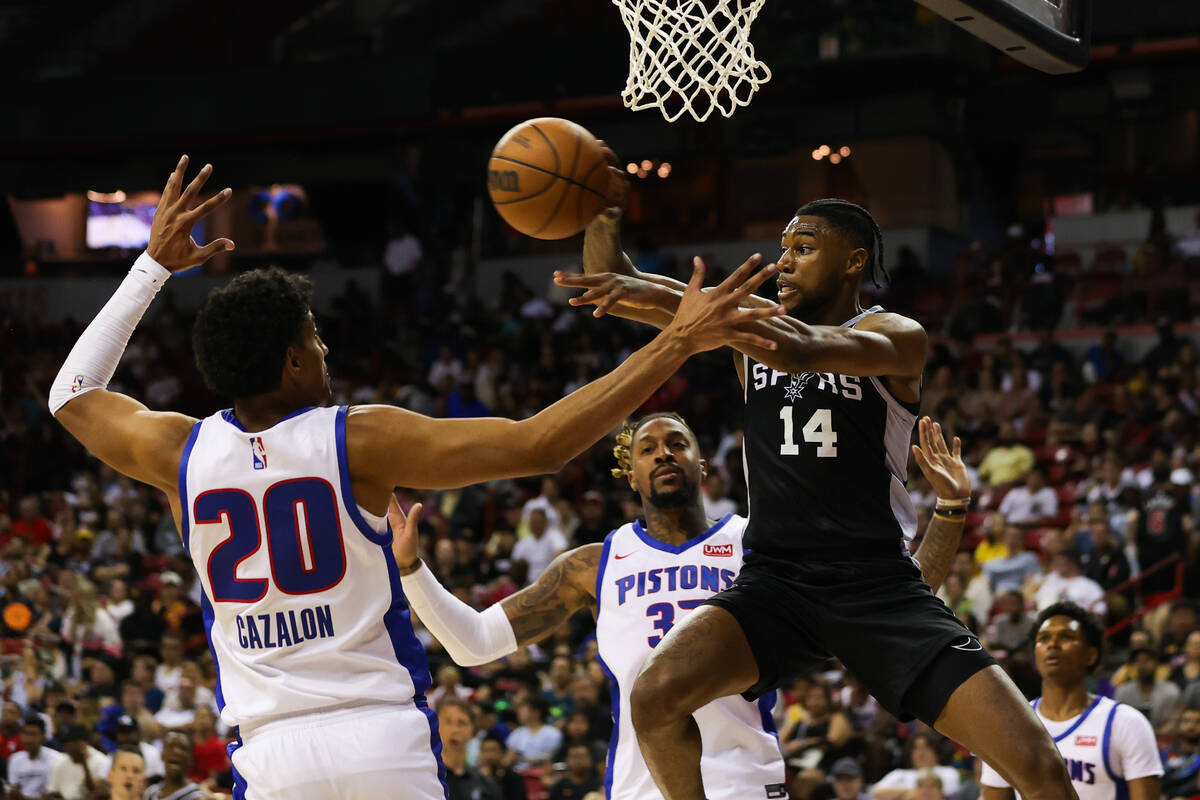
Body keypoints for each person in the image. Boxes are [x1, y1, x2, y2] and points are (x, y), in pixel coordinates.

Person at [46, 156, 779, 800]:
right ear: (294, 361)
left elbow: (71, 394)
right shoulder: (358, 437)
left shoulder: (178, 452)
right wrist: (678, 340)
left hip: (270, 754)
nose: (325, 346)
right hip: (379, 738)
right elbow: (539, 444)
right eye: (313, 336)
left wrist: (151, 268)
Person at [556, 188, 1076, 800]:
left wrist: (716, 317)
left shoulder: (895, 335)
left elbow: (801, 348)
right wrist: (600, 206)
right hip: (776, 583)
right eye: (781, 250)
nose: (784, 262)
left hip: (875, 586)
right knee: (655, 695)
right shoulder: (752, 328)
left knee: (1039, 766)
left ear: (854, 261)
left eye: (803, 249)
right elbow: (612, 281)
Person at [390, 411, 972, 800]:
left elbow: (897, 594)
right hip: (641, 789)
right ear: (631, 473)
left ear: (702, 464)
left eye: (677, 444)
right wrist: (412, 568)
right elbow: (473, 644)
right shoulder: (593, 565)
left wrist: (949, 510)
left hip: (742, 782)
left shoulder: (760, 542)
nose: (663, 454)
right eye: (648, 448)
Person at [981, 602, 1162, 800]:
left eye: (1066, 637)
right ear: (1035, 655)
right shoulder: (1009, 727)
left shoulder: (1126, 723)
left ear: (1091, 655)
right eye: (1044, 638)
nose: (1052, 644)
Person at [437, 697, 501, 800]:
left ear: (472, 730)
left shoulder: (487, 785)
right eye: (448, 722)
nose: (455, 730)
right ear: (436, 727)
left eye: (462, 723)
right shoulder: (425, 780)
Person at [872, 731, 961, 800]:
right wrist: (912, 792)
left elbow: (946, 794)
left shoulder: (948, 772)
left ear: (936, 751)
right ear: (910, 753)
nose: (921, 753)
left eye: (926, 747)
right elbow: (875, 793)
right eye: (916, 748)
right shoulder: (899, 773)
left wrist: (899, 795)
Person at [1114, 646, 1181, 729]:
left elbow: (1172, 723)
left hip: (1163, 739)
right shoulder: (1123, 691)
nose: (1142, 665)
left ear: (1156, 663)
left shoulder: (1170, 691)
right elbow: (1119, 722)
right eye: (1138, 661)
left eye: (1147, 660)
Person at [45, 724, 109, 800]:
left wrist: (84, 764)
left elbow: (98, 794)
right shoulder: (60, 761)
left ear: (81, 742)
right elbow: (53, 791)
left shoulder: (102, 761)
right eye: (64, 742)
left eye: (68, 742)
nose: (64, 746)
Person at [6, 716, 63, 799]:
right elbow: (14, 787)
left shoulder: (56, 759)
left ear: (43, 737)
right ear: (21, 736)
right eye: (26, 734)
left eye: (34, 734)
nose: (29, 739)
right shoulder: (15, 759)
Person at [143, 730, 206, 800]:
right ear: (162, 754)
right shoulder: (151, 793)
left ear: (190, 758)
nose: (176, 751)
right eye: (171, 746)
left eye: (182, 748)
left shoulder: (196, 796)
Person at [1161, 703, 1200, 799]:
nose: (1191, 726)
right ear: (1178, 725)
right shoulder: (1166, 752)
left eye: (1198, 722)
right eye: (1186, 721)